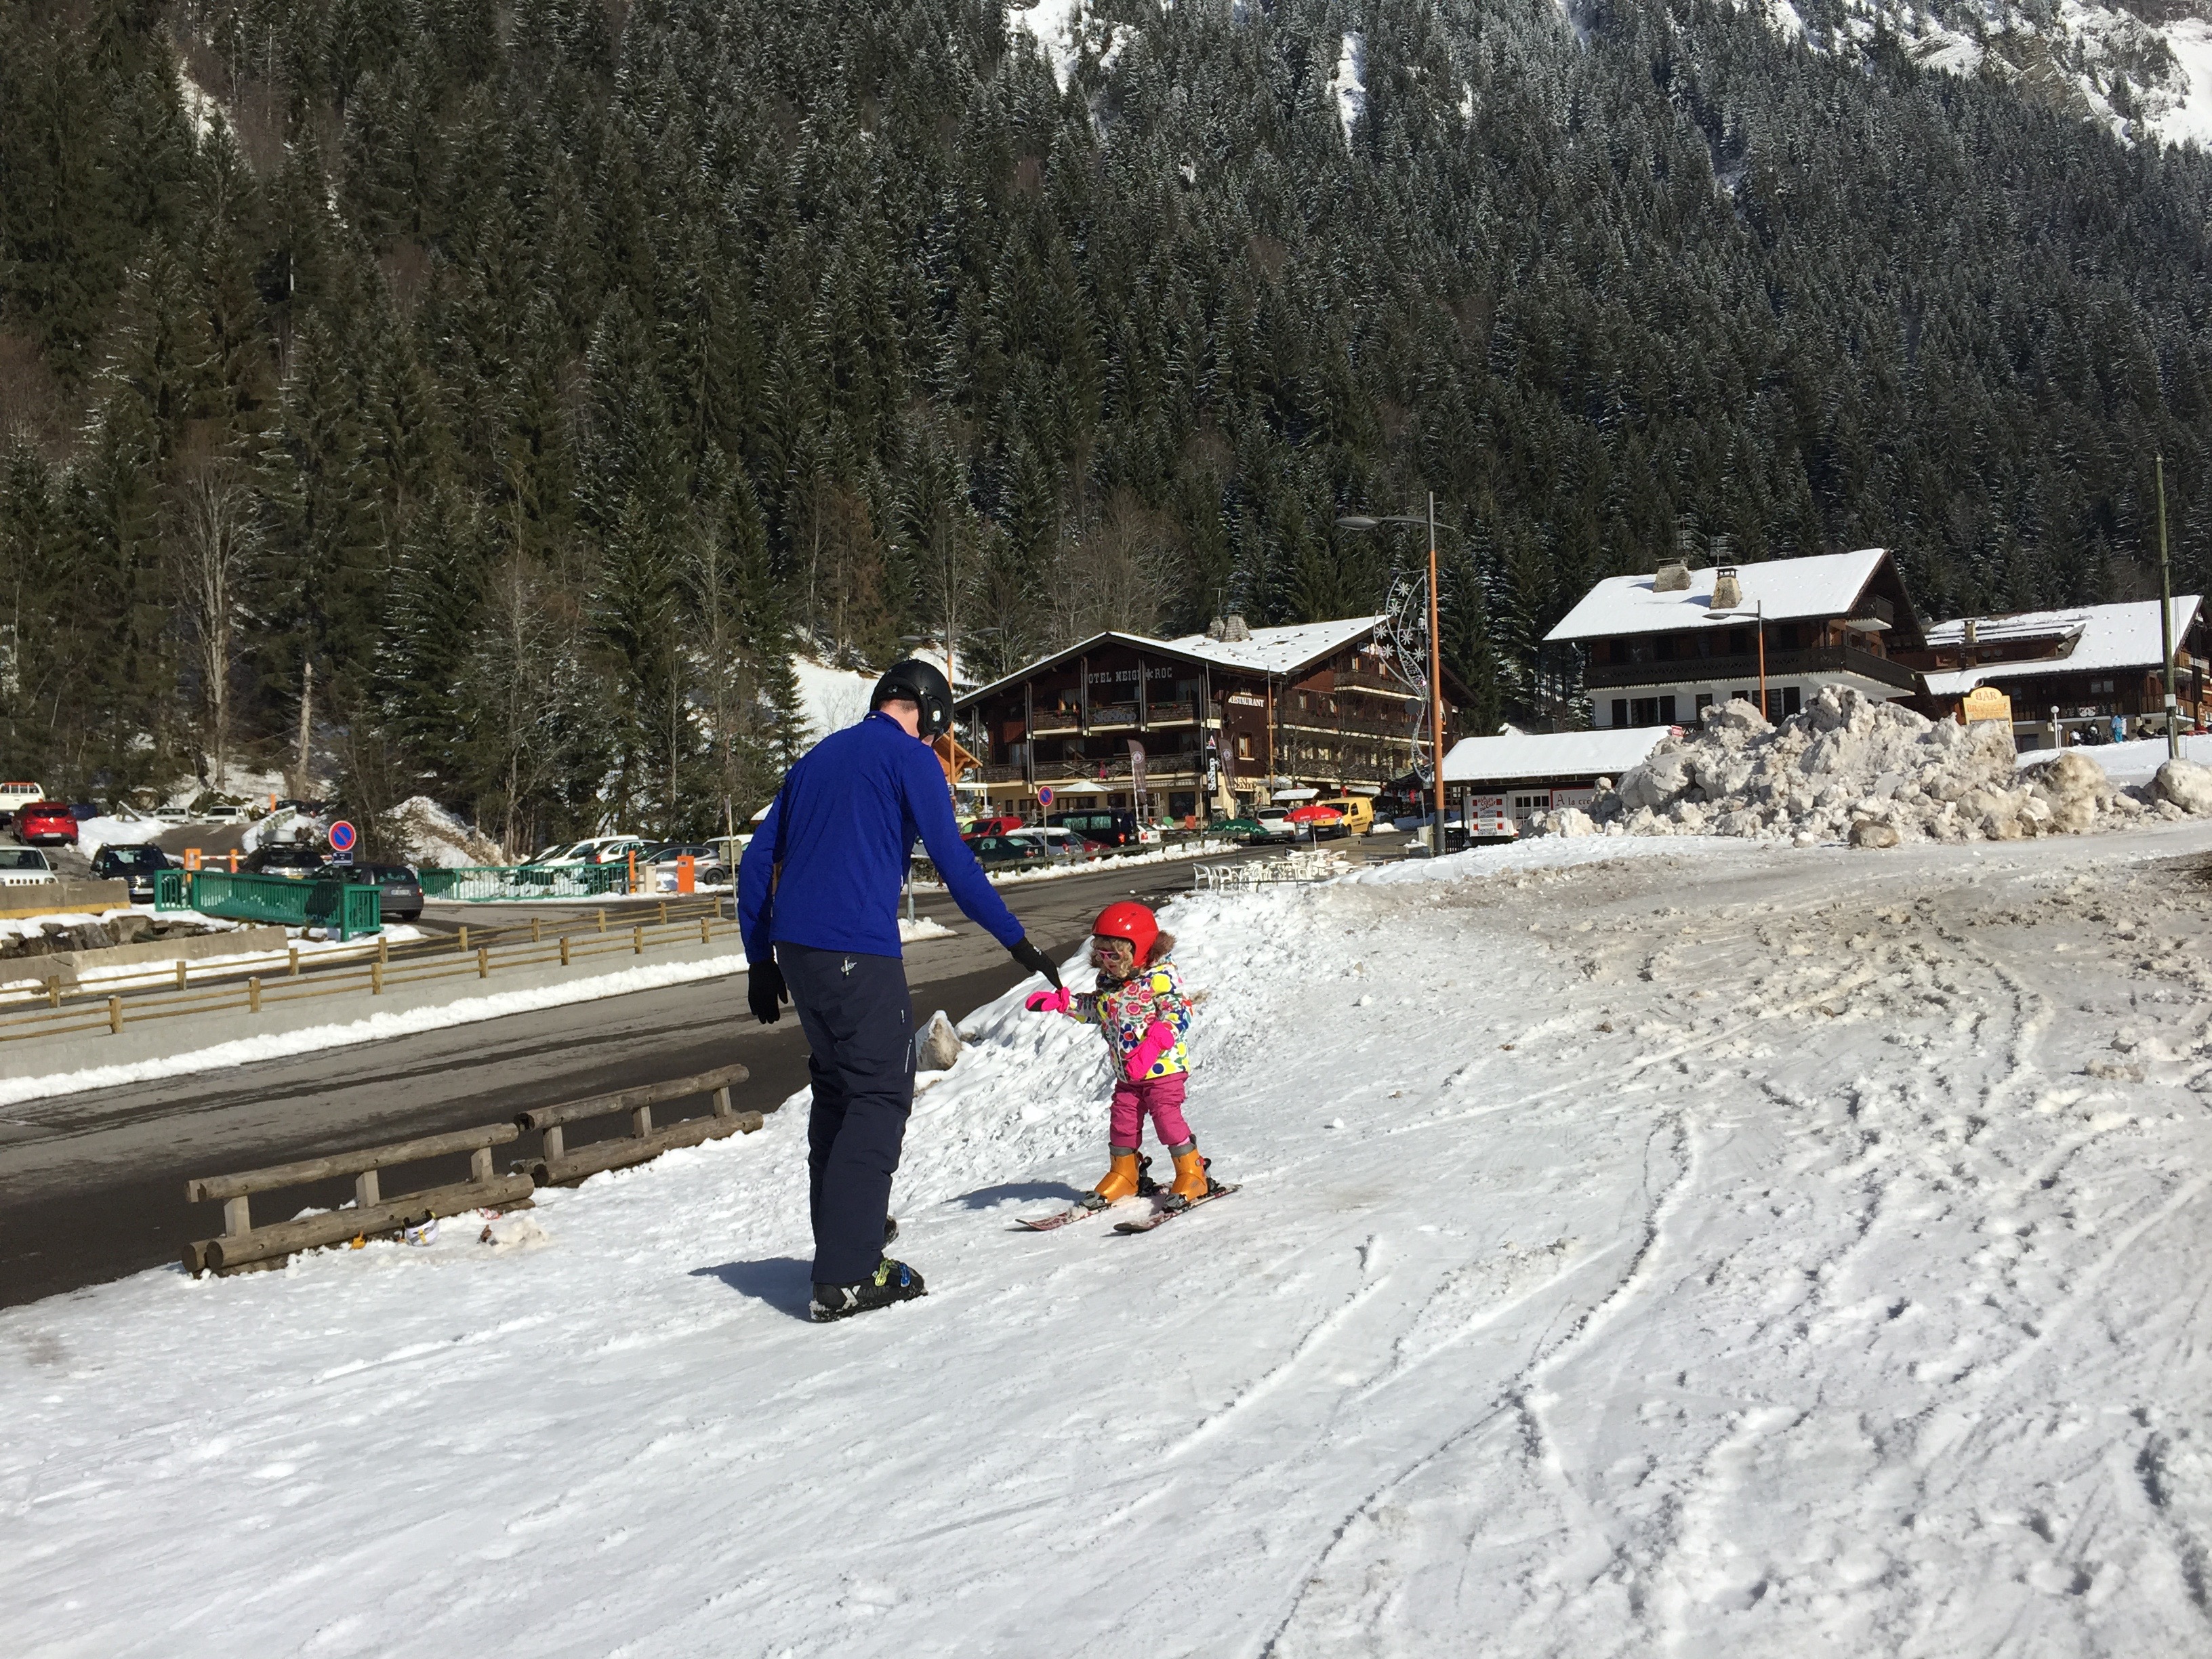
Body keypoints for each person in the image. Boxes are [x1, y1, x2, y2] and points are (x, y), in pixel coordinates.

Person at [739, 659, 1062, 1322]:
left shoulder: (815, 760)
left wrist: (759, 959)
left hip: (799, 953)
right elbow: (958, 868)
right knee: (881, 1091)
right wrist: (1020, 944)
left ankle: (843, 1237)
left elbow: (753, 863)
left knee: (839, 1087)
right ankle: (850, 1274)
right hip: (858, 948)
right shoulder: (910, 760)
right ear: (931, 713)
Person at [1023, 901, 1222, 1212]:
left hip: (1163, 1070)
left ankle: (1193, 1173)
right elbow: (1098, 1010)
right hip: (1129, 1075)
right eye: (1101, 954)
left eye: (1113, 955)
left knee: (1167, 1120)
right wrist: (1064, 1004)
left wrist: (1152, 1046)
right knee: (1122, 1123)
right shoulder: (1110, 982)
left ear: (1138, 949)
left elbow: (1179, 1012)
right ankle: (1125, 1174)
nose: (1107, 962)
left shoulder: (1159, 978)